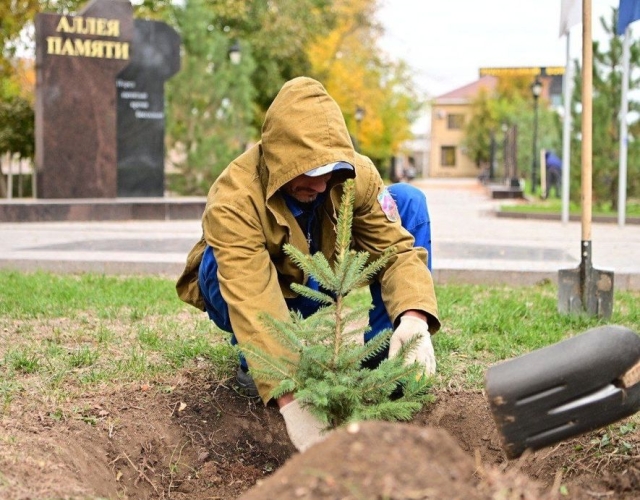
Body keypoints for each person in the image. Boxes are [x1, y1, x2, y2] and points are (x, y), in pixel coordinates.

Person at [176, 76, 440, 452]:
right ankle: (259, 362)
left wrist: (414, 318)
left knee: (408, 201)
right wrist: (292, 398)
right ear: (280, 157)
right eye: (309, 172)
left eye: (329, 172)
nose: (321, 184)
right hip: (265, 290)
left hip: (320, 278)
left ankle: (385, 363)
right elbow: (250, 294)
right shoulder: (235, 198)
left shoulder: (353, 174)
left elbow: (395, 250)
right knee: (215, 263)